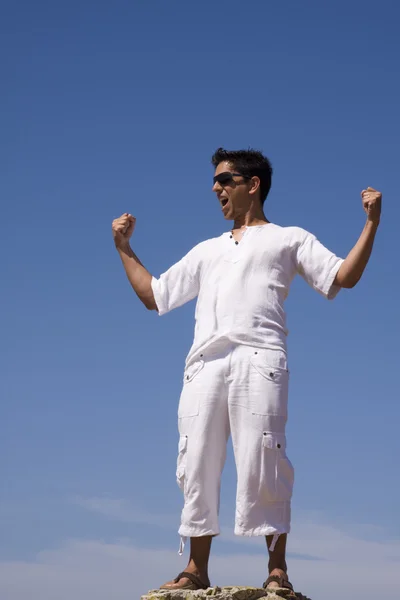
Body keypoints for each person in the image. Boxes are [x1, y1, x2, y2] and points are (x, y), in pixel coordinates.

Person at [112, 148, 381, 593]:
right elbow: (154, 295)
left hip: (261, 360)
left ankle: (278, 570)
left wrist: (371, 222)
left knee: (264, 459)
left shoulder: (289, 238)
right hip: (204, 366)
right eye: (215, 181)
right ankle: (195, 569)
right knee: (196, 461)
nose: (215, 188)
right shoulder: (206, 250)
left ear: (252, 185)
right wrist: (124, 248)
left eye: (225, 180)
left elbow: (342, 277)